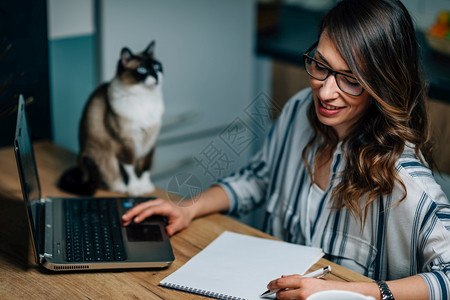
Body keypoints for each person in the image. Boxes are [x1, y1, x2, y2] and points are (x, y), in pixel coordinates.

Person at [122, 0, 450, 299]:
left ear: (384, 84)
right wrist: (189, 209)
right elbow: (261, 177)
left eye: (351, 79)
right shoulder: (298, 111)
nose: (325, 92)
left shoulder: (406, 181)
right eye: (320, 66)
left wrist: (343, 292)